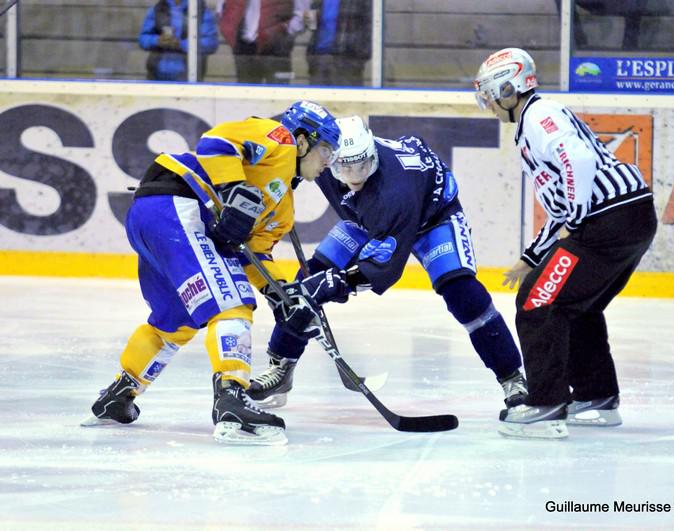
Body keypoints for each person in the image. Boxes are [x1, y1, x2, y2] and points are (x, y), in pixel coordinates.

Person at [80, 101, 341, 445]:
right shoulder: (279, 138)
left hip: (159, 219)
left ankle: (119, 394)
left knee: (176, 321)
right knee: (232, 304)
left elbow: (255, 252)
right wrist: (233, 189)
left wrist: (281, 293)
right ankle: (232, 400)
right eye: (326, 151)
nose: (328, 163)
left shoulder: (283, 208)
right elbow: (216, 142)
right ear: (304, 140)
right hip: (179, 205)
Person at [246, 115, 526, 417]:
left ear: (373, 156)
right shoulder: (324, 152)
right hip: (366, 218)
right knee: (307, 282)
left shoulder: (396, 192)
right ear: (329, 157)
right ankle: (281, 366)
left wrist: (339, 283)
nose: (354, 177)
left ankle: (512, 378)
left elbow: (385, 268)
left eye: (362, 166)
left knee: (462, 293)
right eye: (344, 168)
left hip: (432, 218)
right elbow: (292, 136)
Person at [473, 48, 657, 439]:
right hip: (628, 216)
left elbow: (577, 160)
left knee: (536, 302)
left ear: (509, 89)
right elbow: (562, 205)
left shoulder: (539, 115)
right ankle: (597, 397)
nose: (487, 104)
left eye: (489, 94)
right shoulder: (534, 122)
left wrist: (576, 217)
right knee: (576, 306)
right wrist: (530, 257)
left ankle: (547, 404)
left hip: (607, 221)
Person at [218, 0, 306, 84]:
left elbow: (301, 14)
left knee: (278, 91)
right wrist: (228, 28)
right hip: (244, 44)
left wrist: (285, 32)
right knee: (247, 92)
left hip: (276, 46)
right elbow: (222, 8)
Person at [138, 0, 219, 81]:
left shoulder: (201, 10)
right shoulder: (157, 9)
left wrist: (181, 44)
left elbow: (211, 43)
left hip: (189, 78)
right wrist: (157, 40)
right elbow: (143, 38)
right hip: (156, 77)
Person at [306, 0, 371, 86]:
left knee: (347, 94)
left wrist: (359, 58)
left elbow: (372, 27)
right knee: (317, 94)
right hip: (319, 58)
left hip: (347, 60)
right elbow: (311, 26)